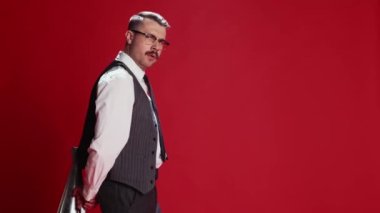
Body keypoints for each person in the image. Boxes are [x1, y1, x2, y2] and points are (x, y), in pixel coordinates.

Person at [74, 11, 170, 213]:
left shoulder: (137, 79)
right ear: (129, 36)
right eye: (150, 37)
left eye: (161, 42)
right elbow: (104, 147)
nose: (156, 47)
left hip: (143, 192)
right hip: (125, 195)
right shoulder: (119, 80)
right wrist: (89, 193)